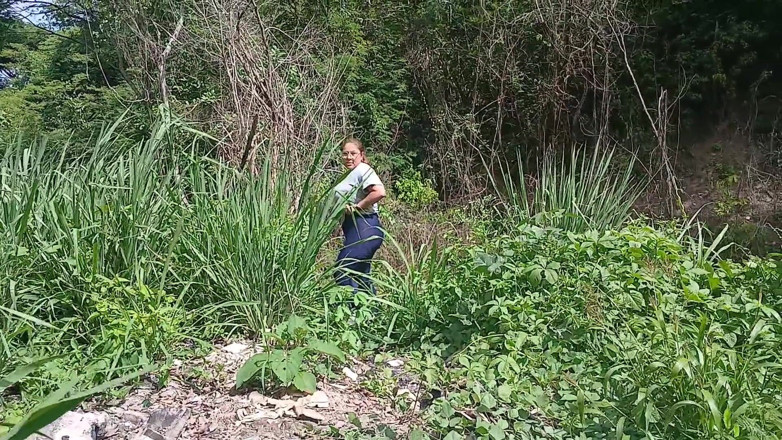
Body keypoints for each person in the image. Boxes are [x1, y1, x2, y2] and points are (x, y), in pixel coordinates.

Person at [333, 137, 386, 295]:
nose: (348, 157)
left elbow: (379, 192)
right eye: (345, 153)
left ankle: (351, 316)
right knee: (362, 276)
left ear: (361, 154)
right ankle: (373, 315)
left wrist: (358, 207)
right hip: (354, 230)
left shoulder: (363, 169)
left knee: (341, 270)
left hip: (365, 227)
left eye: (353, 153)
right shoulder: (351, 174)